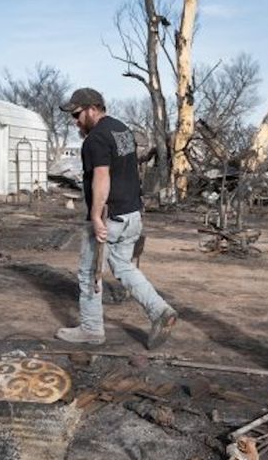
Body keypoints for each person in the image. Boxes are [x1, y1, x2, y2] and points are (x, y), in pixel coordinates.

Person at [54, 87, 178, 349]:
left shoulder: (95, 139)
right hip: (131, 214)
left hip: (109, 216)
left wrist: (96, 217)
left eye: (77, 114)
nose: (74, 121)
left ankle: (91, 329)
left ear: (92, 109)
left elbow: (102, 176)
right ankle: (160, 310)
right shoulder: (121, 130)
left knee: (89, 273)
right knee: (123, 266)